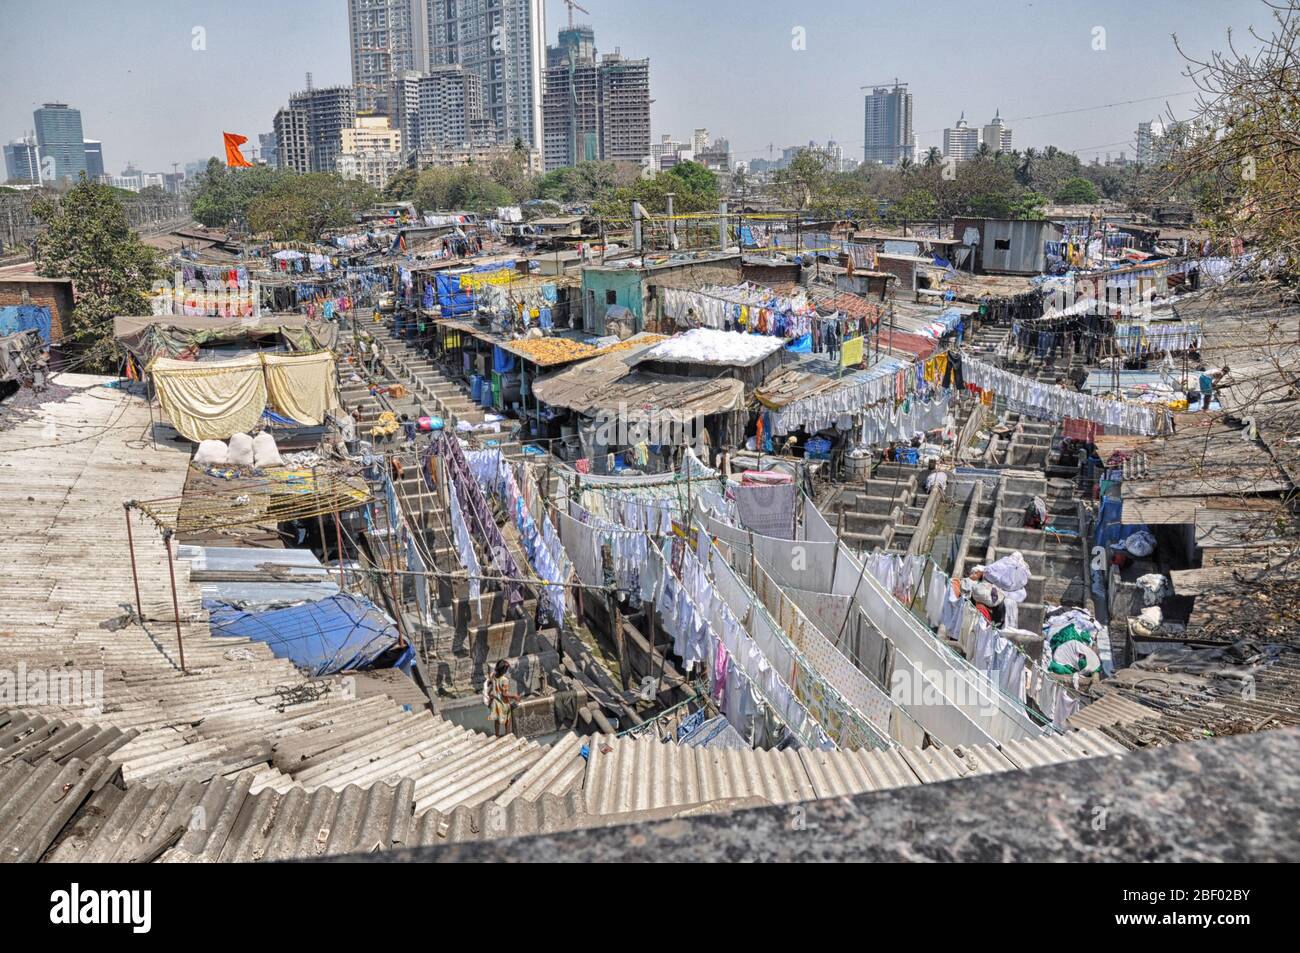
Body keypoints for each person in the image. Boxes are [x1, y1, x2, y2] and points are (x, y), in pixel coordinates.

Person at [485, 659, 518, 737]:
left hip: (495, 702)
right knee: (507, 720)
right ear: (504, 671)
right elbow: (504, 694)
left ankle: (497, 735)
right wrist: (514, 696)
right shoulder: (505, 680)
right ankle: (507, 735)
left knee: (497, 720)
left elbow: (490, 684)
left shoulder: (493, 676)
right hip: (504, 703)